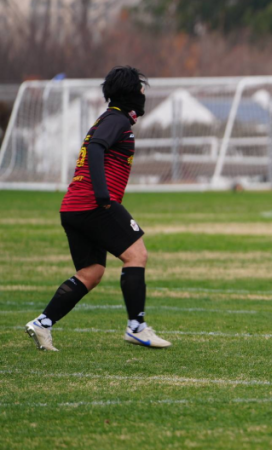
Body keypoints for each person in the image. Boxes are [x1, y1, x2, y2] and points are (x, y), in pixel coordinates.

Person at [25, 66, 171, 351]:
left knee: (90, 273)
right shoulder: (117, 120)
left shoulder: (109, 119)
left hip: (74, 207)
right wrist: (103, 195)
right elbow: (95, 148)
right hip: (93, 205)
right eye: (140, 89)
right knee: (137, 255)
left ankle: (42, 323)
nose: (143, 94)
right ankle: (137, 327)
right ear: (129, 93)